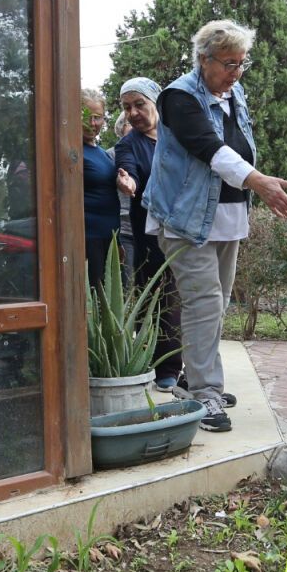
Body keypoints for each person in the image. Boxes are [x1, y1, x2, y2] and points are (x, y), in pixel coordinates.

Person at [141, 20, 287, 432]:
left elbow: (239, 146)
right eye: (229, 64)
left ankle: (192, 379)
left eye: (242, 64)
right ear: (203, 59)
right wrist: (259, 181)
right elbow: (210, 149)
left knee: (217, 304)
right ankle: (203, 394)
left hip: (228, 219)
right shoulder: (178, 96)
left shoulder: (235, 94)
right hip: (185, 221)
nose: (236, 73)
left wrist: (256, 183)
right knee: (204, 304)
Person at [113, 77, 182, 391]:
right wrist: (129, 182)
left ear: (156, 102)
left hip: (191, 232)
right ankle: (165, 366)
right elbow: (130, 170)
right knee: (163, 299)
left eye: (139, 104)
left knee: (197, 302)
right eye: (127, 107)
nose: (133, 113)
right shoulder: (130, 144)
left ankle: (198, 371)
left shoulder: (177, 134)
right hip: (153, 239)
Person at [81, 88, 120, 293]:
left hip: (110, 236)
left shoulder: (102, 153)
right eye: (87, 116)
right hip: (89, 238)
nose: (93, 123)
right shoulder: (73, 151)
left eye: (98, 117)